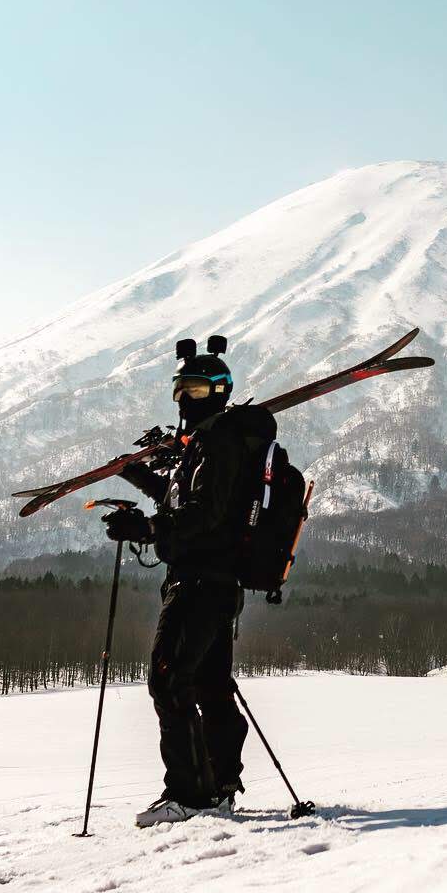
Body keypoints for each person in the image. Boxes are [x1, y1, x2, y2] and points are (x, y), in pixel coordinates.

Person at [101, 336, 278, 828]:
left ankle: (191, 794)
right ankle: (218, 786)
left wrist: (149, 529)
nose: (185, 399)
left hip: (201, 583)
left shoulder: (218, 444)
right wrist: (142, 484)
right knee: (209, 683)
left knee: (169, 680)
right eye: (181, 388)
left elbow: (205, 515)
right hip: (210, 582)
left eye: (197, 390)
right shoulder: (203, 446)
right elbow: (186, 501)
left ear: (220, 392)